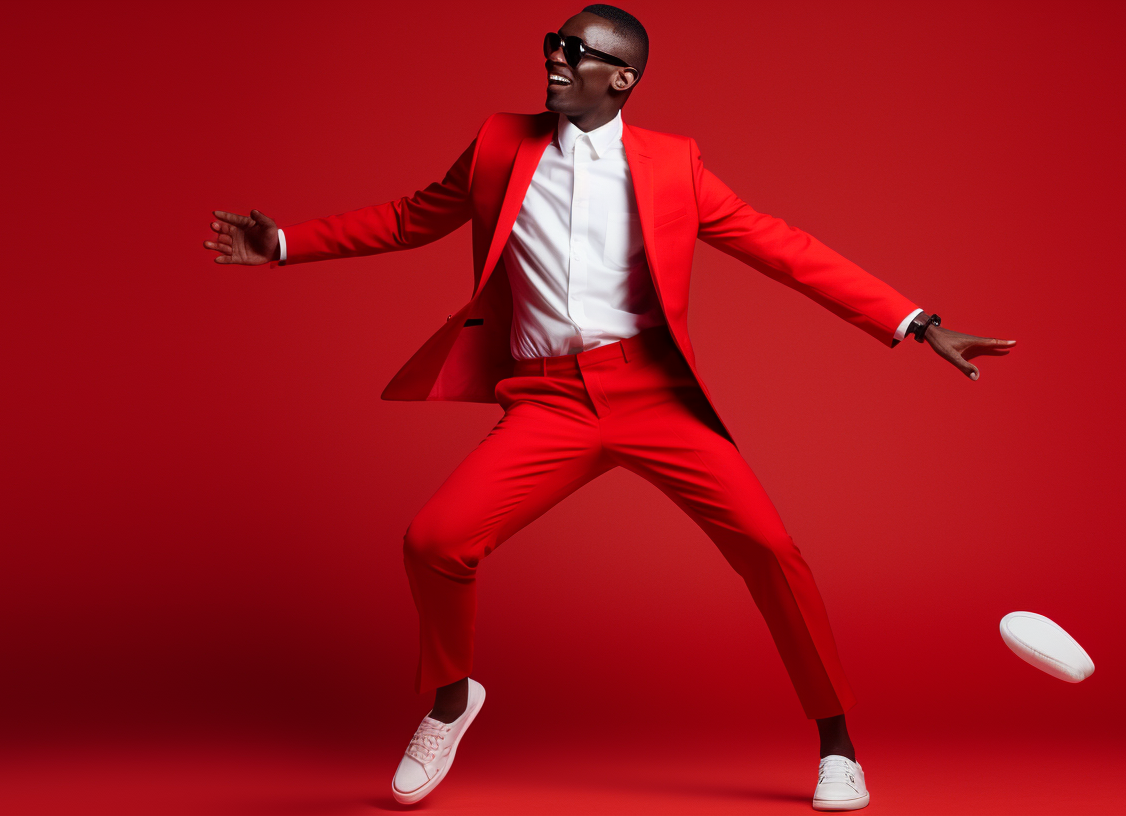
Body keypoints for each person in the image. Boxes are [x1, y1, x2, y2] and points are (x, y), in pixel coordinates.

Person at [203, 5, 1015, 810]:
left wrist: (918, 323)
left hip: (652, 394)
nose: (555, 58)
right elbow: (412, 218)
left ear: (621, 77)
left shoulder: (674, 164)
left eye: (576, 50)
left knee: (772, 551)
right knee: (435, 540)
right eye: (552, 44)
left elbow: (783, 246)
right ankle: (451, 701)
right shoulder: (498, 143)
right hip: (549, 399)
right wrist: (283, 245)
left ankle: (837, 745)